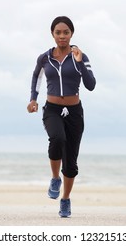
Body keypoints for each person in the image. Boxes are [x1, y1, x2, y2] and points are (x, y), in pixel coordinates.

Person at [27, 16, 96, 217]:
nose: (62, 36)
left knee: (71, 161)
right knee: (57, 138)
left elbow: (91, 85)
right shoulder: (44, 58)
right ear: (53, 34)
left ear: (71, 34)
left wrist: (80, 62)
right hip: (52, 109)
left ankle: (65, 199)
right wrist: (33, 98)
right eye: (58, 32)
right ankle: (55, 178)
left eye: (66, 32)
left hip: (74, 112)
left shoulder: (81, 57)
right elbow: (36, 76)